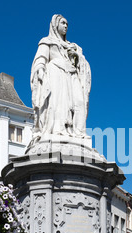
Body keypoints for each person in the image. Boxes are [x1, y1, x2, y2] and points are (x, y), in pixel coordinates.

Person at [30, 14, 91, 143]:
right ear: (55, 24)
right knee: (58, 103)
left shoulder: (73, 46)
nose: (66, 26)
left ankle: (78, 132)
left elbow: (83, 65)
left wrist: (77, 56)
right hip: (55, 73)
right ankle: (58, 129)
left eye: (67, 24)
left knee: (79, 102)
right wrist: (40, 71)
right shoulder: (47, 41)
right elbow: (40, 58)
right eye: (63, 23)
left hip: (72, 75)